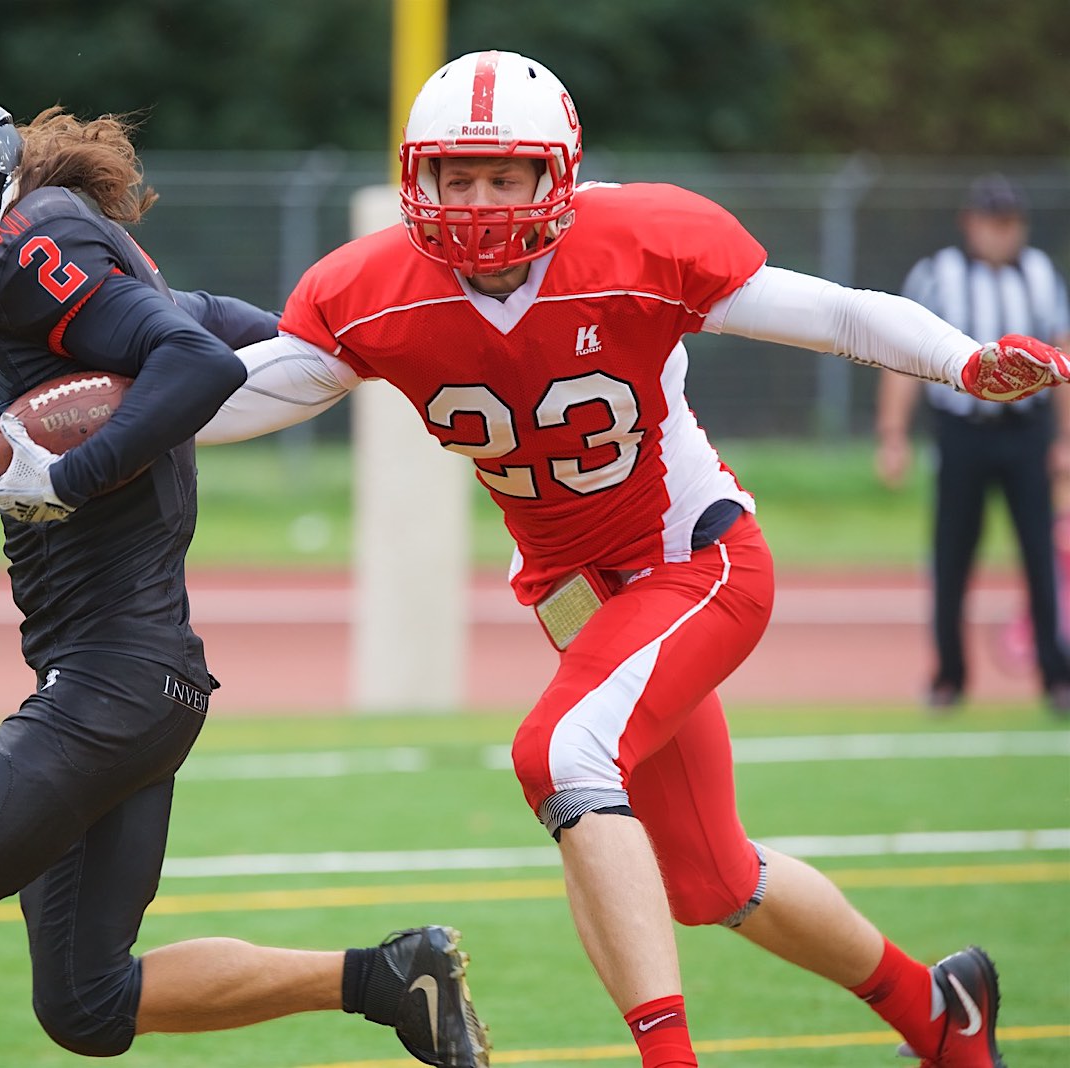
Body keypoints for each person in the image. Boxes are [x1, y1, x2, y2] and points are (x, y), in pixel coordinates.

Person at [196, 50, 1066, 1068]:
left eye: (503, 176)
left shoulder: (636, 241)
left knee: (559, 753)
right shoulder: (375, 287)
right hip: (582, 601)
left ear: (554, 175)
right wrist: (83, 439)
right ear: (417, 179)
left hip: (695, 566)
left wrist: (962, 361)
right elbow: (231, 393)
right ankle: (939, 1011)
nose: (477, 203)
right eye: (456, 177)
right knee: (711, 882)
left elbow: (833, 313)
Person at [0, 91, 490, 1068]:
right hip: (135, 684)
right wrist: (325, 354)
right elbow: (209, 321)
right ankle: (391, 979)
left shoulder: (27, 247)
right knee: (87, 1002)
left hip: (112, 684)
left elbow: (191, 358)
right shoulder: (33, 262)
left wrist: (67, 478)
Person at [875, 173, 1070, 714]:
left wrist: (1066, 441)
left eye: (1010, 223)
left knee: (1040, 552)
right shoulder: (936, 276)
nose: (1001, 234)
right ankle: (949, 677)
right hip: (962, 432)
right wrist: (893, 436)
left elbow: (1061, 357)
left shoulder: (1039, 275)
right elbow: (900, 357)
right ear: (970, 223)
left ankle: (1057, 675)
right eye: (992, 222)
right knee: (952, 554)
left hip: (1026, 434)